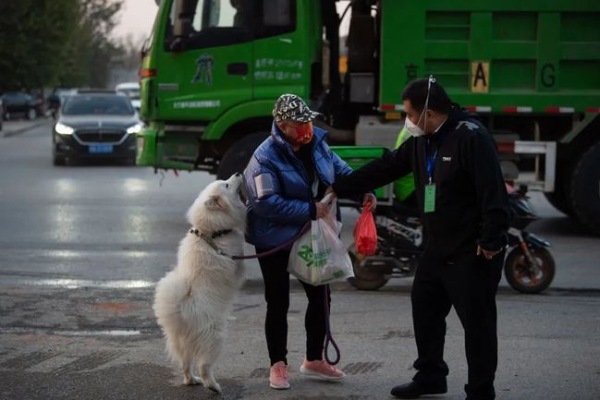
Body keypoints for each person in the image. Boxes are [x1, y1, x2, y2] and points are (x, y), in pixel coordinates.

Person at [330, 77, 511, 400]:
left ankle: (481, 391)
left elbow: (493, 193)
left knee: (478, 325)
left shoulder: (471, 138)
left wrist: (491, 240)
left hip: (472, 250)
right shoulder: (423, 140)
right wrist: (340, 186)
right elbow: (388, 166)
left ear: (428, 112)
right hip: (437, 246)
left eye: (410, 114)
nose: (407, 121)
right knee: (425, 308)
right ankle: (430, 376)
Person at [243, 94, 374, 390]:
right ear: (282, 125)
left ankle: (314, 358)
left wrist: (363, 189)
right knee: (277, 301)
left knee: (321, 296)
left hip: (311, 233)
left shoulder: (318, 144)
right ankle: (278, 364)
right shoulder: (264, 158)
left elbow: (342, 172)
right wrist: (308, 209)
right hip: (273, 237)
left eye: (308, 121)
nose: (307, 127)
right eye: (299, 123)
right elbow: (266, 204)